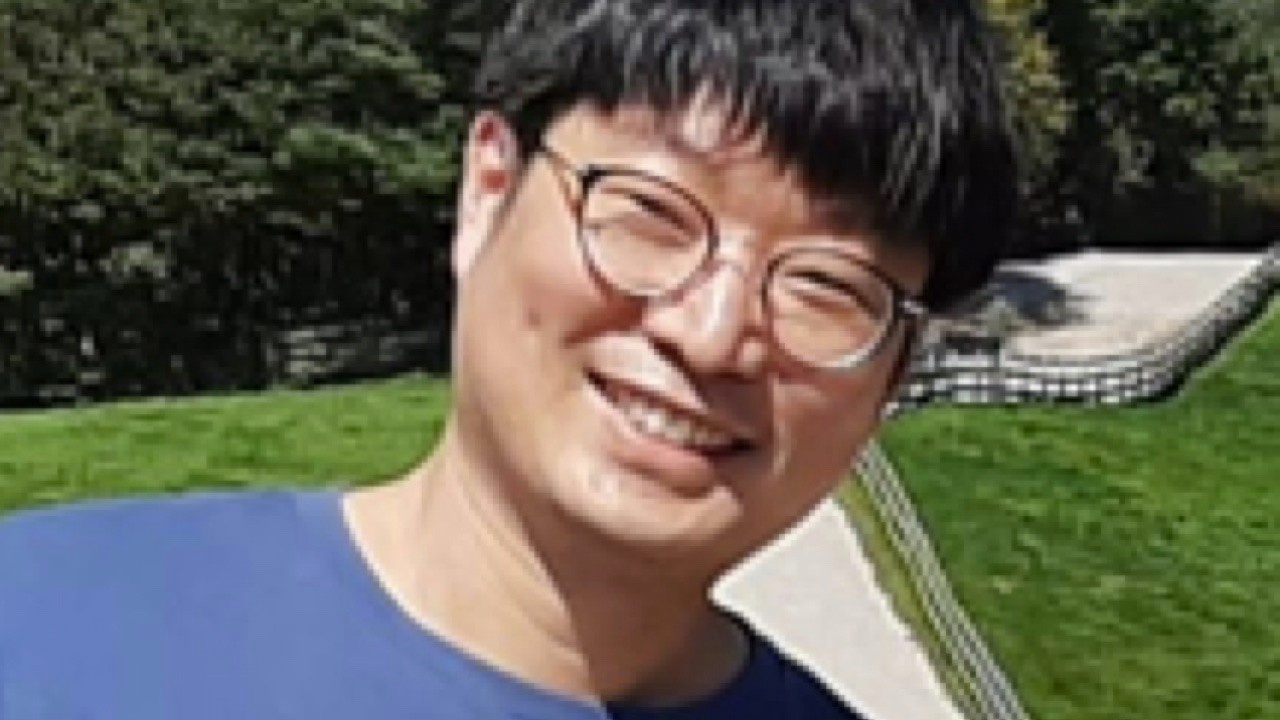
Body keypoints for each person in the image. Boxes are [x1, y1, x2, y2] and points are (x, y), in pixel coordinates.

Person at [0, 0, 1016, 717]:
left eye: (827, 287)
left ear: (894, 372)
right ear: (487, 191)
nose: (711, 334)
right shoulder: (42, 628)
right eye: (650, 214)